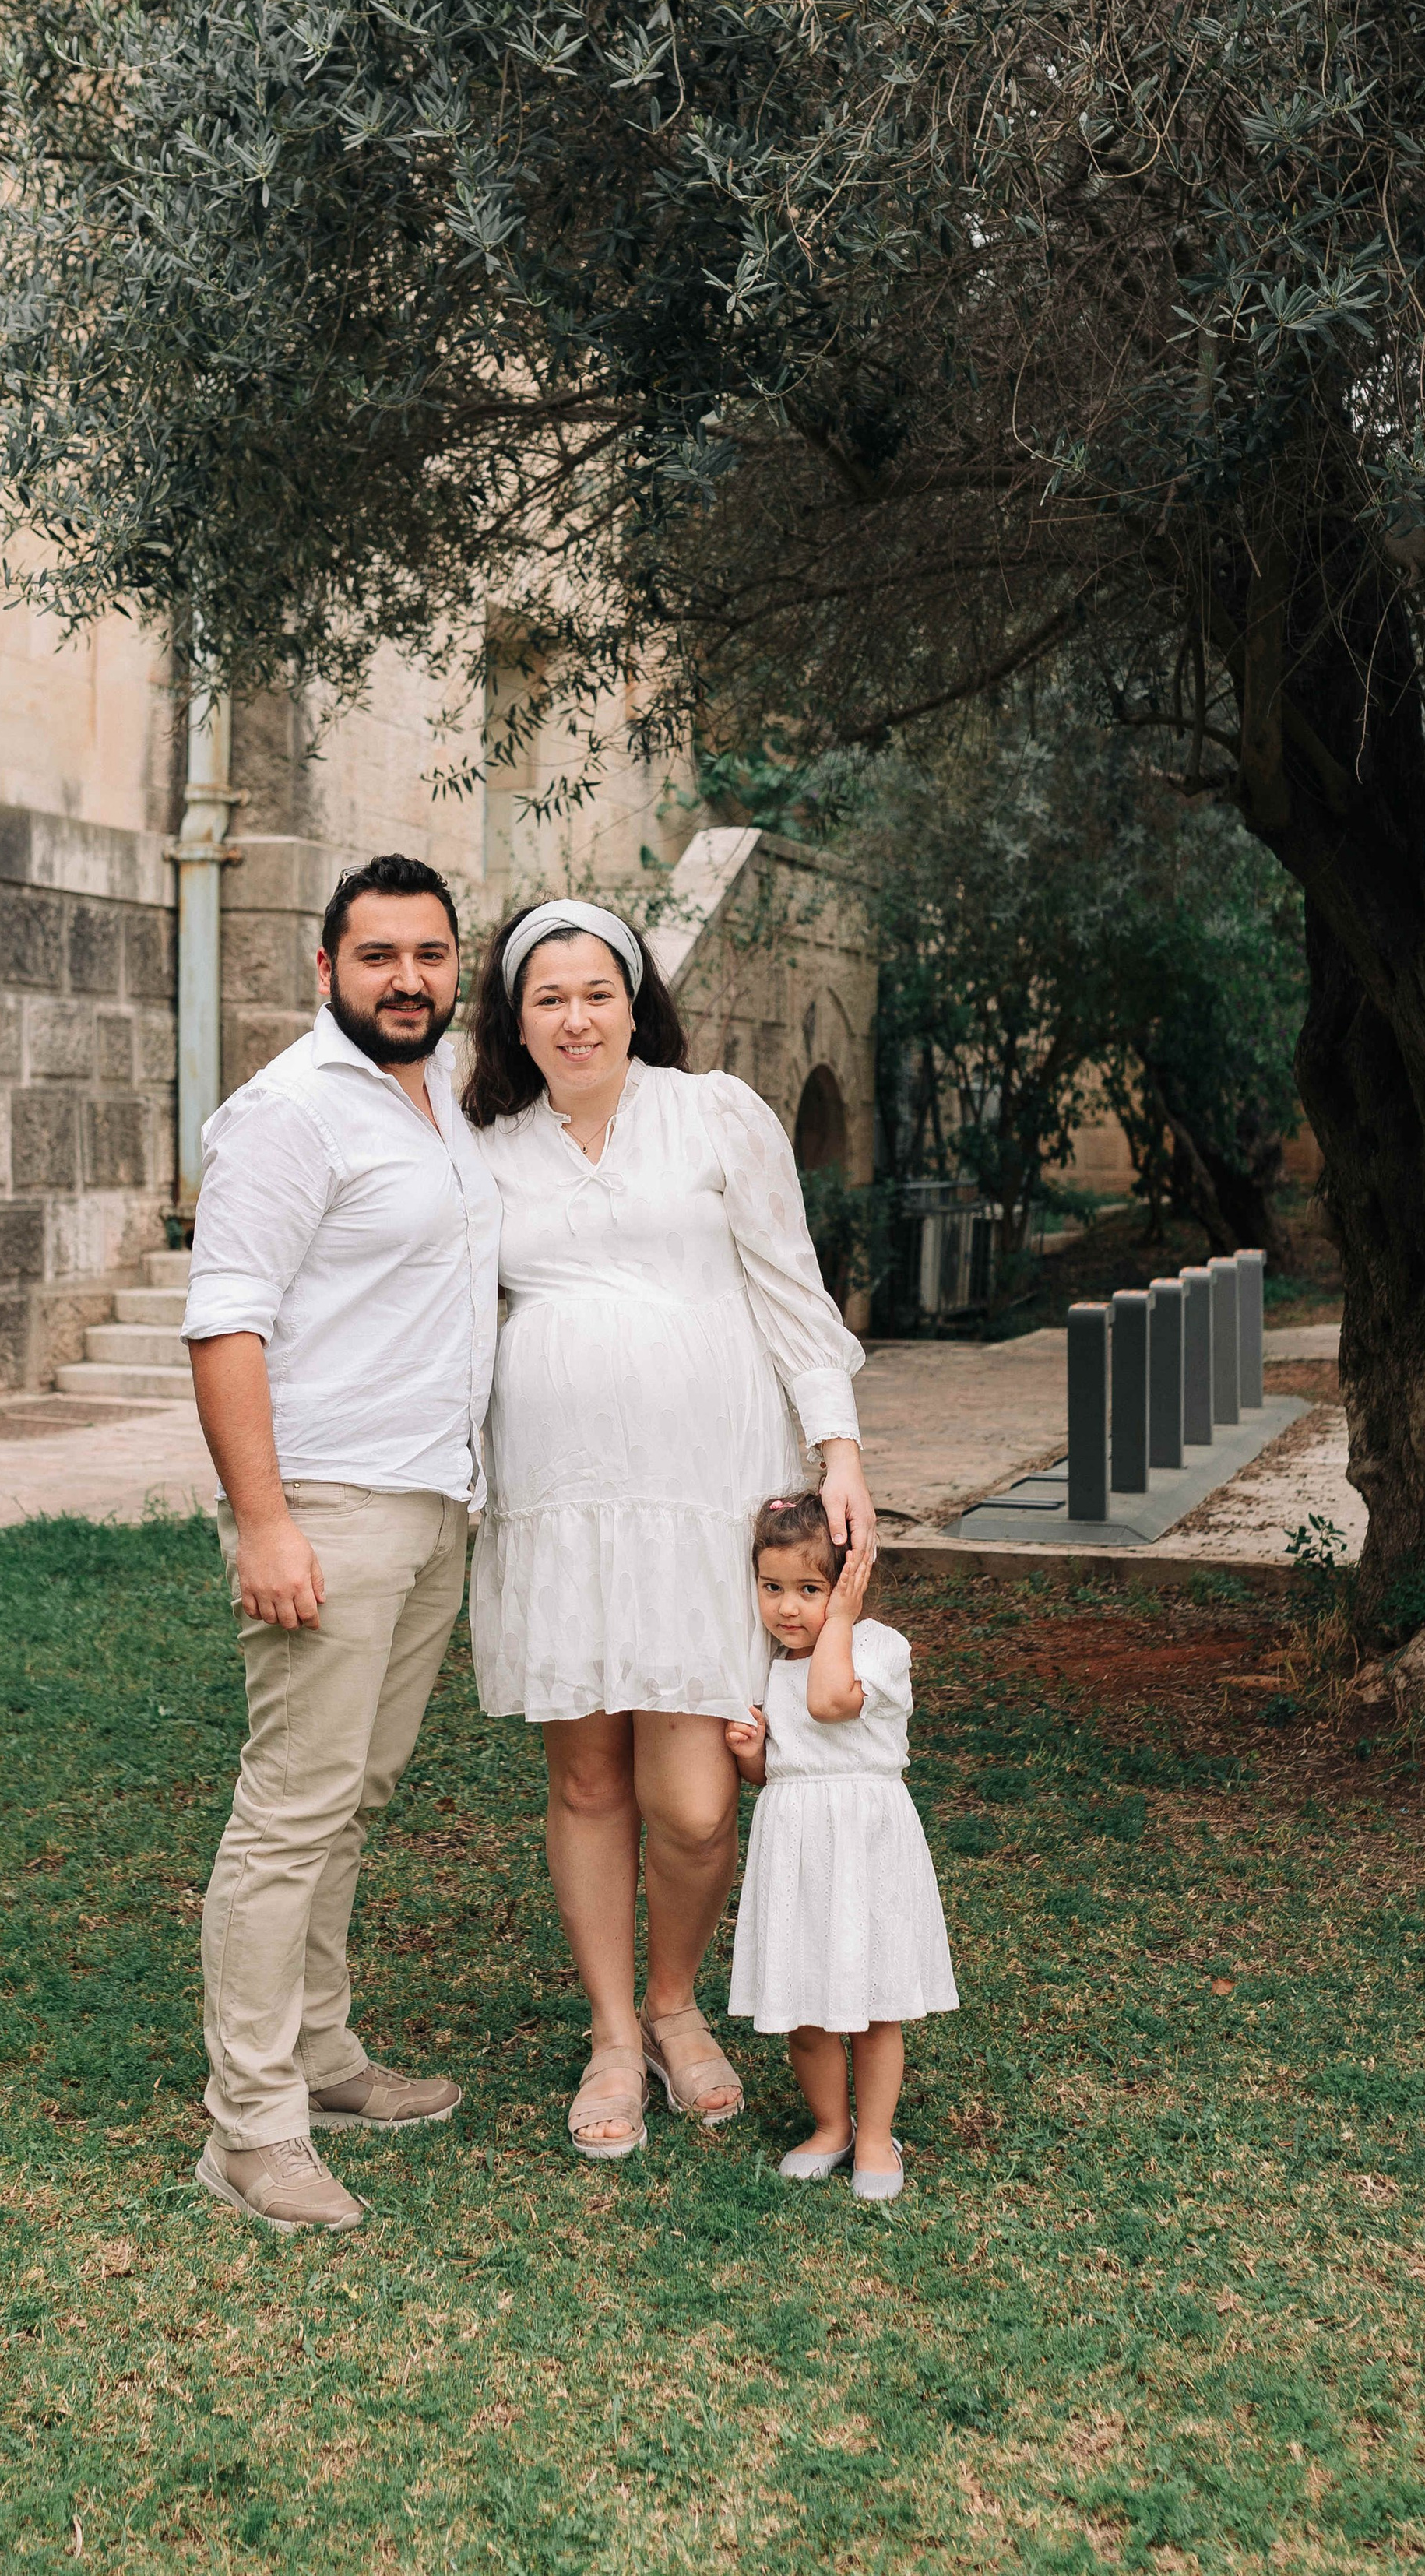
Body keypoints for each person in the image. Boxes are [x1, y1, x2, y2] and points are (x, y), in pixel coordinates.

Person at [463, 896, 877, 2159]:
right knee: (589, 1778)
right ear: (517, 1020)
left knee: (696, 1800)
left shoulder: (716, 1115)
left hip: (711, 1496)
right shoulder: (484, 1153)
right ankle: (610, 2033)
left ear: (635, 1001)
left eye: (597, 992)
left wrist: (840, 1444)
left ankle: (675, 2000)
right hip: (564, 1503)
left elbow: (790, 1288)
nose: (576, 1017)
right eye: (548, 998)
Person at [181, 854, 500, 2233]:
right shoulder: (287, 1114)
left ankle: (322, 2052)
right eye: (378, 957)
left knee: (354, 1802)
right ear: (327, 970)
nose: (408, 980)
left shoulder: (443, 1098)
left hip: (435, 1502)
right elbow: (225, 1324)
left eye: (430, 955)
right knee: (289, 1814)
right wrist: (266, 1522)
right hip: (328, 1505)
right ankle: (250, 2129)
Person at [725, 1491, 957, 2201]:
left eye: (811, 1590)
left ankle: (878, 2135)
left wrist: (845, 1619)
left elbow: (830, 1703)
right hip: (797, 1843)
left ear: (849, 1585)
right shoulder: (769, 1663)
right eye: (772, 1589)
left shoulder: (877, 1647)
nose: (788, 1608)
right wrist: (753, 1755)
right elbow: (778, 1770)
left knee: (872, 1999)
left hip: (864, 1841)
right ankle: (831, 2126)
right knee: (805, 2001)